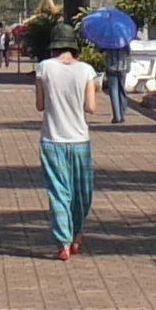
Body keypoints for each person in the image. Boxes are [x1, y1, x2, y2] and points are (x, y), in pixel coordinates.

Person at [31, 35, 99, 257]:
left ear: (53, 48)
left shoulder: (44, 68)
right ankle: (77, 233)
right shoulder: (87, 70)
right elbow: (91, 107)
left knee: (59, 191)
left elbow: (40, 105)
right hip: (79, 140)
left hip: (52, 139)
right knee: (81, 193)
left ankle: (63, 242)